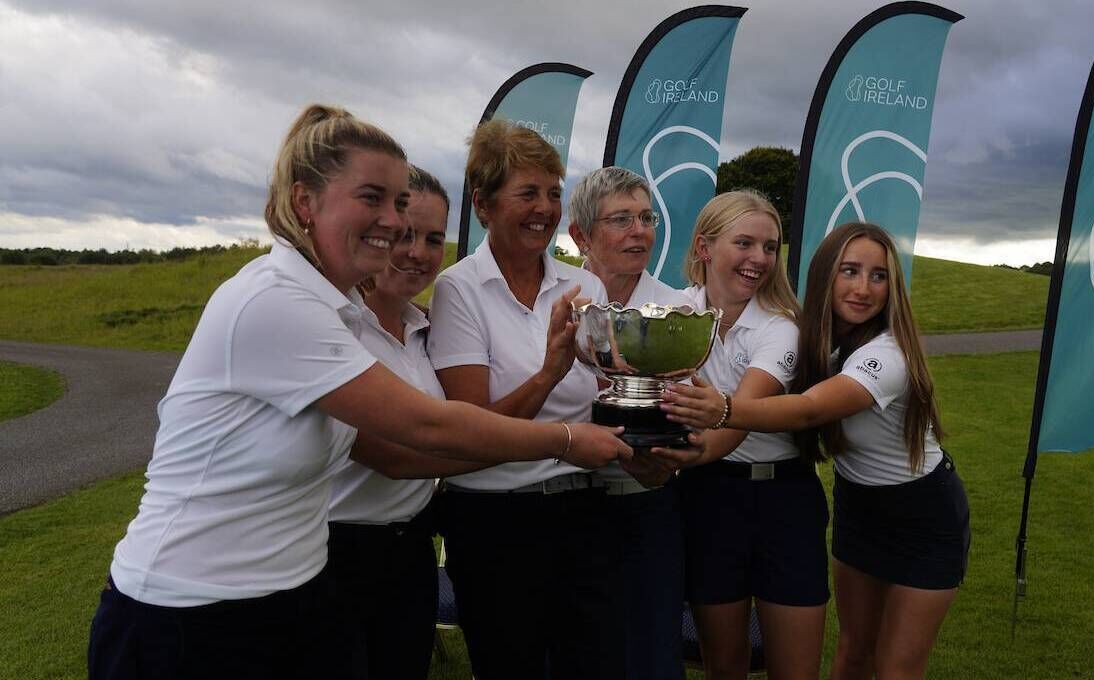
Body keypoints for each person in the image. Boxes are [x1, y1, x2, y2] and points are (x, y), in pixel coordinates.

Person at [87, 105, 631, 680]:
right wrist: (567, 440)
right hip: (188, 612)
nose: (394, 223)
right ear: (305, 203)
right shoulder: (274, 301)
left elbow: (400, 456)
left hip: (293, 594)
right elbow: (428, 427)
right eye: (372, 198)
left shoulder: (336, 311)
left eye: (399, 202)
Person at [661, 222, 970, 680]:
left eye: (879, 276)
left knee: (897, 667)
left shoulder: (887, 354)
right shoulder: (818, 340)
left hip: (923, 514)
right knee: (853, 653)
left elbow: (807, 411)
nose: (864, 288)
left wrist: (724, 408)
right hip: (858, 506)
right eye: (850, 271)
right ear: (827, 274)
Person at [432, 121, 678, 679]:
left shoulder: (582, 288)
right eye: (527, 193)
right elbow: (468, 431)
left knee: (592, 665)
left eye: (552, 192)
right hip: (496, 522)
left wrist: (652, 450)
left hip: (586, 513)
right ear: (483, 203)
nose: (543, 207)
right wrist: (548, 373)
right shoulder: (459, 289)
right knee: (511, 665)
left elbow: (606, 404)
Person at [673, 190, 829, 680]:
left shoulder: (784, 327)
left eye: (770, 246)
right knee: (724, 666)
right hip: (708, 498)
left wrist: (662, 461)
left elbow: (739, 419)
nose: (759, 259)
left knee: (793, 670)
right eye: (745, 243)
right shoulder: (674, 312)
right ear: (704, 247)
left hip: (783, 501)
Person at [325, 165, 470, 679]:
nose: (418, 252)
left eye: (434, 239)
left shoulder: (426, 329)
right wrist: (554, 445)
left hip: (410, 551)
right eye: (405, 235)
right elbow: (388, 454)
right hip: (335, 553)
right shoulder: (337, 326)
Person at [567, 166, 702, 679]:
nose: (640, 231)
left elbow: (688, 412)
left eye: (646, 218)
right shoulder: (556, 303)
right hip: (566, 504)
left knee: (650, 650)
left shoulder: (678, 310)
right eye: (621, 219)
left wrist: (666, 455)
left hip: (649, 503)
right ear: (582, 234)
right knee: (578, 649)